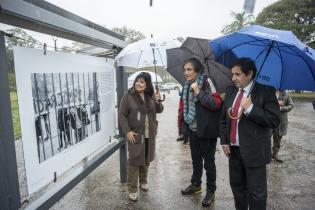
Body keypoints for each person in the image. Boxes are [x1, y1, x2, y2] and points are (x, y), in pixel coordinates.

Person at [220, 57, 280, 210]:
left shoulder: (266, 91)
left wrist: (251, 109)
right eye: (232, 74)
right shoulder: (231, 90)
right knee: (238, 191)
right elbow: (223, 119)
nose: (233, 78)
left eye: (238, 74)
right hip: (234, 151)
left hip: (255, 152)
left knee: (256, 194)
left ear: (250, 74)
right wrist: (225, 141)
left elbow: (274, 120)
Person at [180, 58, 222, 207]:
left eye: (189, 69)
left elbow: (215, 104)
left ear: (197, 70)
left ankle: (211, 191)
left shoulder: (207, 82)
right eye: (185, 70)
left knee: (209, 163)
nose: (186, 72)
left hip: (206, 131)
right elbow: (184, 107)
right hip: (193, 130)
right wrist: (183, 128)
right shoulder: (186, 85)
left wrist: (198, 91)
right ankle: (196, 184)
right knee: (196, 160)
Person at [118, 72, 164, 201]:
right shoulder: (128, 96)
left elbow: (159, 110)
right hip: (136, 134)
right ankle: (132, 189)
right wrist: (127, 131)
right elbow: (122, 115)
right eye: (137, 81)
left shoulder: (150, 96)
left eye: (142, 81)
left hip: (150, 133)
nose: (138, 83)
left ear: (147, 84)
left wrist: (158, 100)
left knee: (146, 159)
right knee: (134, 161)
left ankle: (143, 181)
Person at [272, 90, 294, 162]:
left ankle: (275, 154)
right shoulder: (269, 92)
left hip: (281, 121)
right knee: (265, 137)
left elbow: (291, 105)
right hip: (269, 119)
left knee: (278, 138)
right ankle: (264, 154)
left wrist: (282, 108)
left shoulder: (286, 94)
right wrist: (275, 103)